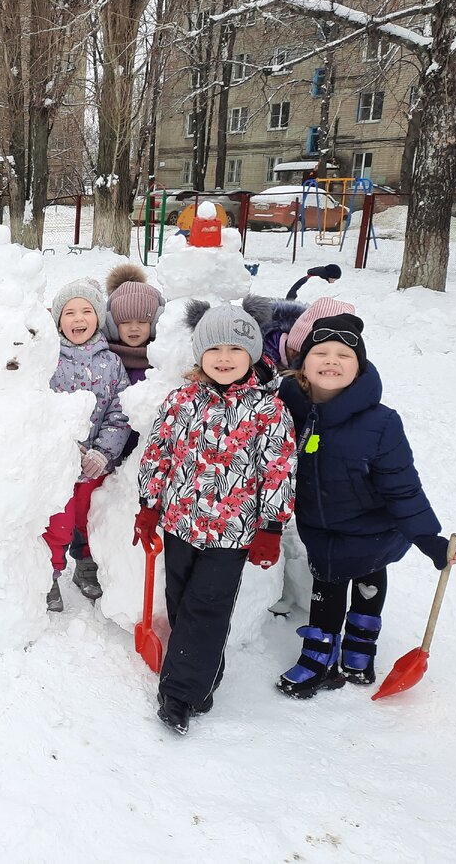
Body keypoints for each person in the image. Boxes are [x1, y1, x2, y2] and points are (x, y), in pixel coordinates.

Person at [276, 314, 456, 698]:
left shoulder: (380, 423)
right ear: (303, 364)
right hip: (321, 528)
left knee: (369, 579)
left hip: (375, 529)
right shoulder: (285, 409)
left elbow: (403, 488)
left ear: (359, 368)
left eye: (344, 355)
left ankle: (360, 645)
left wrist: (428, 538)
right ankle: (320, 655)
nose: (332, 360)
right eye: (321, 352)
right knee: (326, 587)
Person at [135, 302, 297, 735]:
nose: (224, 358)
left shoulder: (269, 410)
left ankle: (180, 694)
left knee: (208, 607)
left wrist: (271, 527)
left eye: (235, 348)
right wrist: (149, 506)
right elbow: (158, 454)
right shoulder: (181, 400)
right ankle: (204, 677)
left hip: (233, 532)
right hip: (180, 522)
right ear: (200, 353)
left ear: (252, 354)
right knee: (181, 601)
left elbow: (279, 471)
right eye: (214, 349)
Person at [44, 279, 131, 608]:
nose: (78, 318)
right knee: (56, 522)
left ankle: (86, 566)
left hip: (94, 463)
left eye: (86, 311)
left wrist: (103, 452)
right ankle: (48, 574)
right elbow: (39, 406)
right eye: (69, 312)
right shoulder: (48, 359)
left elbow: (120, 412)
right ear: (57, 319)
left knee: (89, 518)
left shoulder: (111, 363)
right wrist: (63, 445)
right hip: (57, 463)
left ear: (98, 317)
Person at [102, 263, 164, 386]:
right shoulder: (103, 356)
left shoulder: (165, 357)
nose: (134, 328)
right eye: (125, 322)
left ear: (155, 323)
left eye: (142, 321)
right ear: (112, 325)